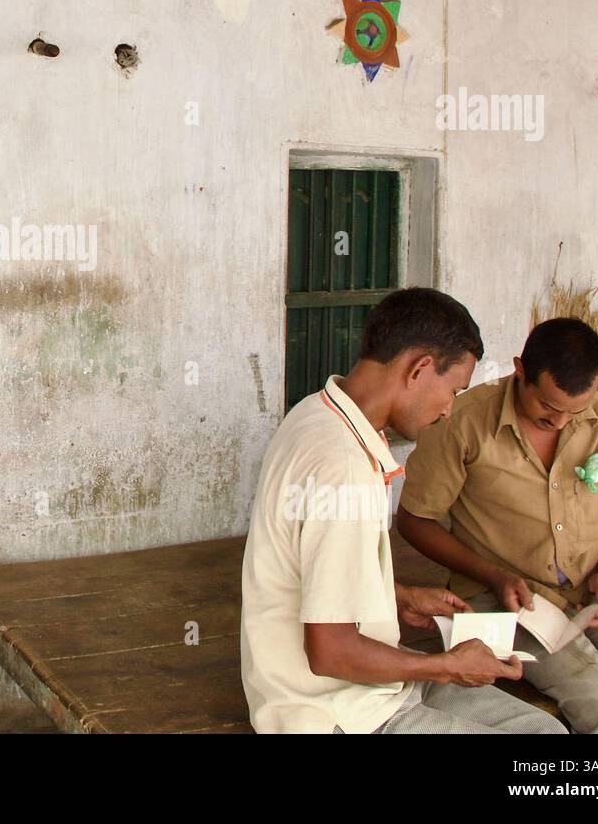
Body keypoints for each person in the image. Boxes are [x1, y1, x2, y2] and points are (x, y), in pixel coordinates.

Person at [241, 287, 564, 733]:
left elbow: (308, 564)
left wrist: (393, 595)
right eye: (453, 390)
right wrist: (449, 666)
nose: (450, 410)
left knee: (543, 730)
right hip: (332, 712)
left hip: (369, 688)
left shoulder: (318, 414)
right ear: (420, 369)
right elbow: (330, 652)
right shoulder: (342, 465)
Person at [397, 317, 598, 733]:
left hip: (595, 590)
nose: (561, 422)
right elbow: (414, 521)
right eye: (548, 408)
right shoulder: (462, 421)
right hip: (507, 599)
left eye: (576, 411)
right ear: (520, 370)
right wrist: (494, 576)